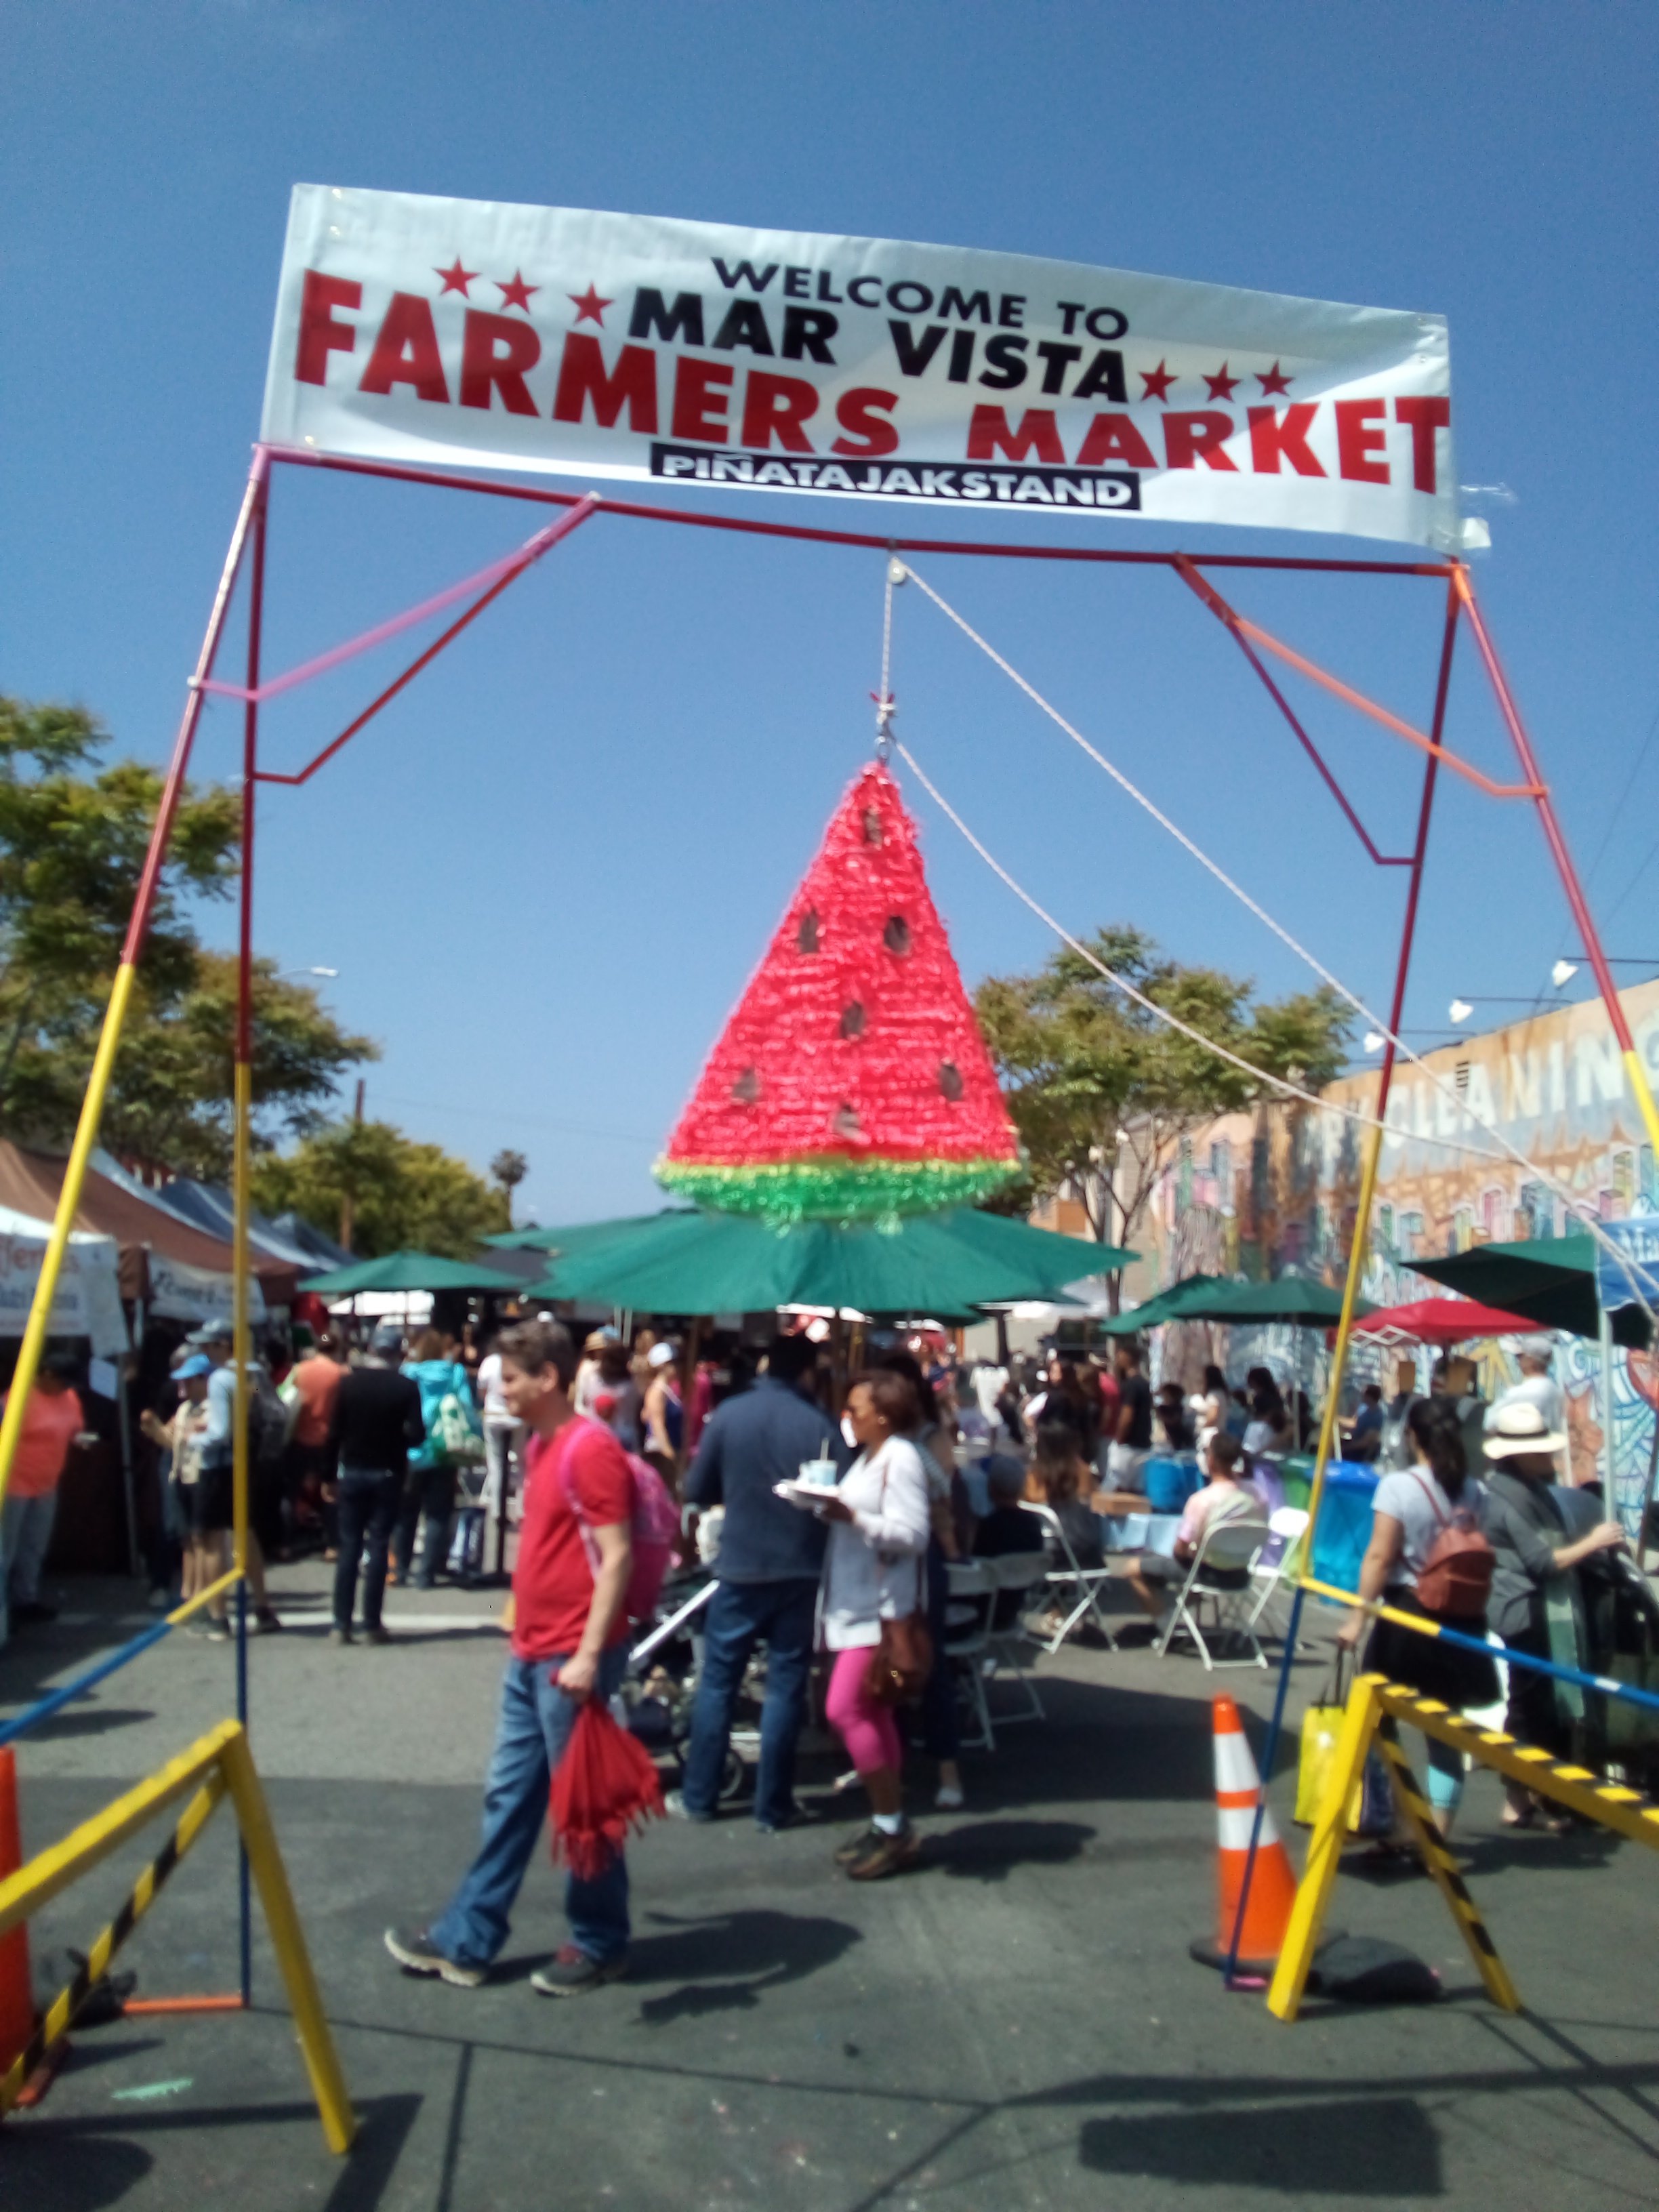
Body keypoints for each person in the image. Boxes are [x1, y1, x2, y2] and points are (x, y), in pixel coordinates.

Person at [385, 1319, 637, 1994]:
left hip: (570, 1656)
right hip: (535, 1649)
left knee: (581, 1807)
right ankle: (469, 1938)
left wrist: (586, 1656)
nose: (499, 1389)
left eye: (511, 1378)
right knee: (511, 1799)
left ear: (548, 1378)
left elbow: (617, 1557)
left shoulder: (590, 1449)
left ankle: (599, 1939)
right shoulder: (542, 1444)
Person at [670, 1334, 831, 1832]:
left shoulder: (730, 1415)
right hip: (800, 1563)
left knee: (719, 1681)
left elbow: (697, 1489)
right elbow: (842, 1493)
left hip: (740, 1561)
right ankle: (773, 1805)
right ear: (806, 1372)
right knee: (785, 1685)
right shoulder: (819, 1423)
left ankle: (700, 1795)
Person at [1336, 1398, 1501, 1841]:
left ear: (1412, 1437)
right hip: (1461, 1622)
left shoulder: (1399, 1487)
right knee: (1444, 1733)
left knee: (1377, 1719)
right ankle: (1436, 1839)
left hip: (1407, 1618)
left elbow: (1380, 1555)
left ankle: (1395, 1818)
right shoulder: (1475, 1491)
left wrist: (1357, 1618)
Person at [1481, 1399, 1626, 1828]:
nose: (1548, 1455)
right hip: (1524, 1610)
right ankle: (1521, 1797)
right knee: (1531, 1710)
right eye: (1541, 1449)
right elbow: (1543, 1562)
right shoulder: (1509, 1500)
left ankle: (1536, 1796)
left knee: (1539, 1706)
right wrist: (1593, 1541)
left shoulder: (1531, 1490)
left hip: (1533, 1607)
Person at [813, 1370, 930, 1881]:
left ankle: (892, 1822)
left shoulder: (900, 1459)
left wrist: (853, 1518)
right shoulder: (870, 1457)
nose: (849, 1417)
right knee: (874, 1711)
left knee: (844, 1709)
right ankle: (888, 1822)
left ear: (882, 1413)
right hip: (856, 1600)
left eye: (856, 1409)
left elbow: (913, 1534)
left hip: (880, 1609)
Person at [329, 1323, 426, 1644]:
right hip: (388, 1472)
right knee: (379, 1544)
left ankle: (340, 1622)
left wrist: (327, 1475)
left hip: (352, 1469)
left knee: (349, 1546)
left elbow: (334, 1432)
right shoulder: (405, 1387)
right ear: (399, 1353)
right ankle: (371, 1623)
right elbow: (417, 1434)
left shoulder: (348, 1384)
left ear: (371, 1350)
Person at [1126, 1430, 1261, 1630]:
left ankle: (1165, 1624)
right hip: (1241, 1573)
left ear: (1211, 1460)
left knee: (1133, 1567)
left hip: (1208, 1573)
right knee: (1194, 1560)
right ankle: (1175, 1613)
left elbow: (1180, 1549)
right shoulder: (1258, 1495)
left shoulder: (1202, 1501)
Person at [0, 1351, 92, 1637]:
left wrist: (80, 1438)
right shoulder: (15, 1400)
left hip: (46, 1485)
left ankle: (25, 1601)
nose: (68, 1389)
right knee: (5, 1553)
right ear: (47, 1375)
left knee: (33, 1547)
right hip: (13, 1485)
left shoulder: (69, 1398)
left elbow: (74, 1428)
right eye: (64, 1383)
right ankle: (4, 1613)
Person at [199, 1324, 283, 1635]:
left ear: (223, 1345)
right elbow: (271, 1410)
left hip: (223, 1462)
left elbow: (220, 1431)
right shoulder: (254, 1373)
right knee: (245, 1533)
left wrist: (190, 1440)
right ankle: (263, 1607)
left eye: (208, 1345)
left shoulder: (221, 1378)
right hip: (251, 1459)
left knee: (212, 1540)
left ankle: (218, 1616)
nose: (204, 1352)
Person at [397, 1328, 476, 1589]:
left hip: (412, 1450)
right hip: (444, 1449)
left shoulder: (408, 1373)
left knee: (407, 1512)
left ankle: (401, 1569)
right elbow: (467, 1408)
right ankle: (426, 1574)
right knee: (438, 1513)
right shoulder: (455, 1373)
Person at [140, 1355, 213, 1610]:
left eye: (187, 1380)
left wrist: (200, 1434)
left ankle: (206, 1597)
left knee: (203, 1539)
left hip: (206, 1479)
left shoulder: (217, 1407)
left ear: (203, 1380)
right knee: (181, 1535)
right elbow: (170, 1441)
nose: (181, 1387)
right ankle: (186, 1593)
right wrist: (153, 1427)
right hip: (181, 1477)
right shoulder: (184, 1409)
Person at [288, 1330, 346, 1557]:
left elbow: (285, 1397)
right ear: (336, 1348)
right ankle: (332, 1545)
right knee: (330, 1493)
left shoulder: (299, 1370)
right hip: (329, 1441)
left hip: (300, 1437)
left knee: (292, 1491)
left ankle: (286, 1543)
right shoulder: (342, 1374)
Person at [1029, 1418, 1105, 1570]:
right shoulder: (1082, 1474)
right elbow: (1096, 1499)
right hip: (1081, 1550)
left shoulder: (1032, 1478)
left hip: (1039, 1549)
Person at [1486, 1338, 1567, 1471]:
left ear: (1531, 1360)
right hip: (1547, 1461)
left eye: (1520, 1356)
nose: (1518, 1361)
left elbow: (1489, 1422)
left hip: (1522, 1463)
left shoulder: (1521, 1393)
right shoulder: (1555, 1392)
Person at [1106, 1339, 1153, 1492]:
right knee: (1137, 1491)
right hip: (1144, 1444)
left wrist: (1119, 1439)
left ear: (1128, 1357)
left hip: (1128, 1446)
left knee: (1115, 1488)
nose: (1117, 1359)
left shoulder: (1131, 1386)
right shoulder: (1145, 1384)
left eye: (1120, 1355)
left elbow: (1127, 1415)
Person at [640, 1341, 682, 1478]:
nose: (678, 1366)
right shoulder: (657, 1391)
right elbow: (658, 1427)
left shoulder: (667, 1390)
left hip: (670, 1450)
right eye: (674, 1362)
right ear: (663, 1365)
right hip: (660, 1455)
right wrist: (671, 1457)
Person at [1345, 1382, 1385, 1462]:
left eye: (1364, 1394)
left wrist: (1346, 1447)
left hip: (1361, 1454)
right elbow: (1354, 1423)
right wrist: (1335, 1419)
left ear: (1370, 1397)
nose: (1361, 1395)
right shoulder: (1363, 1409)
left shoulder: (1377, 1416)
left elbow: (1366, 1442)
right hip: (1353, 1446)